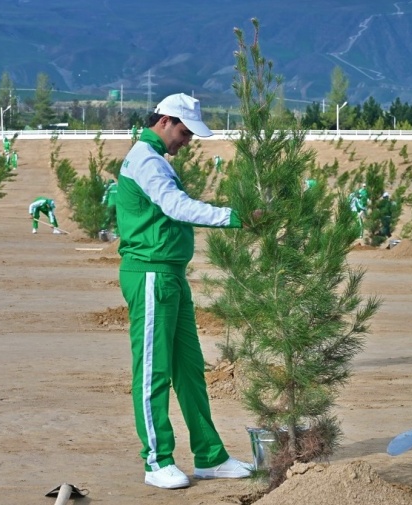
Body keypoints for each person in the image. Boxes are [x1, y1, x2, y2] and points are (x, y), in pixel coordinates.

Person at [116, 93, 255, 489]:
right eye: (184, 131)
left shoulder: (155, 159)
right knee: (153, 371)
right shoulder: (146, 159)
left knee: (189, 370)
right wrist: (235, 217)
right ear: (164, 121)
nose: (187, 141)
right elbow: (176, 207)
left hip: (169, 275)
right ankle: (156, 460)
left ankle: (210, 456)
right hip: (150, 274)